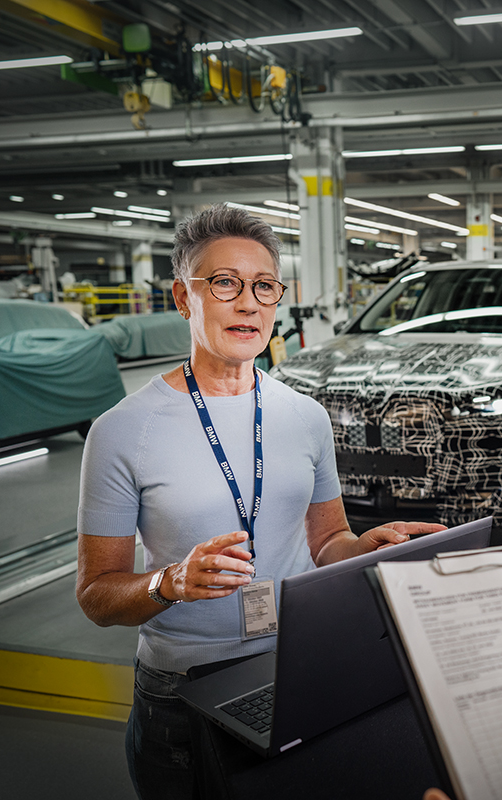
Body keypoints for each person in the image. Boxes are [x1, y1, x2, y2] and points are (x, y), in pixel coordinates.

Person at [75, 203, 444, 800]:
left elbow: (326, 540)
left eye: (264, 286)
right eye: (224, 283)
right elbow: (97, 595)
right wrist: (167, 582)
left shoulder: (305, 416)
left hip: (298, 668)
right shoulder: (124, 430)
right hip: (183, 688)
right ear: (182, 296)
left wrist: (362, 548)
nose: (248, 303)